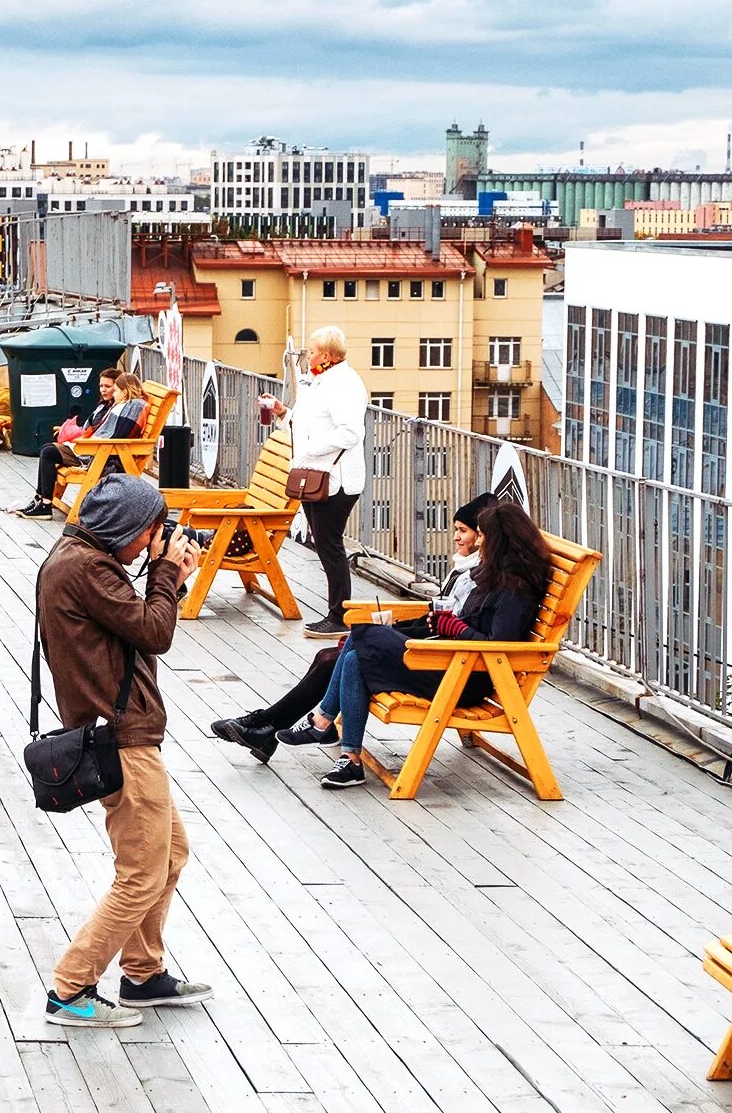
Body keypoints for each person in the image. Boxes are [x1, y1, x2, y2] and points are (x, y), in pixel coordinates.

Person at [38, 473, 211, 1028]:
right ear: (128, 528)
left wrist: (168, 579)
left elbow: (136, 627)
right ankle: (70, 987)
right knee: (141, 870)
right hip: (122, 736)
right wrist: (165, 574)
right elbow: (154, 632)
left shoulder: (79, 556)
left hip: (120, 731)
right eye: (151, 532)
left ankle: (142, 973)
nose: (154, 541)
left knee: (170, 853)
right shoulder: (87, 569)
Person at [216, 492, 495, 763]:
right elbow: (436, 619)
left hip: (440, 662)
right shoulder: (465, 570)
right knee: (327, 656)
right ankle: (271, 728)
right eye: (457, 530)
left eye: (466, 531)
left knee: (337, 657)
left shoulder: (481, 578)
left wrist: (391, 635)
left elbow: (451, 627)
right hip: (435, 654)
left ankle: (275, 726)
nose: (457, 537)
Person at [307, 500, 550, 789]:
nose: (479, 542)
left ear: (499, 541)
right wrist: (448, 625)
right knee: (354, 659)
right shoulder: (491, 575)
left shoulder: (515, 592)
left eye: (483, 536)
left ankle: (322, 721)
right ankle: (350, 758)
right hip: (448, 661)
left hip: (465, 677)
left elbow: (497, 648)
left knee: (364, 633)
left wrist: (456, 628)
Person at [266, 325, 367, 638]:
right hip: (314, 476)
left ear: (328, 355)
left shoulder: (344, 383)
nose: (306, 356)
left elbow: (351, 432)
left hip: (335, 480)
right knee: (324, 544)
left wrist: (311, 449)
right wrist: (283, 413)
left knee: (330, 545)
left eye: (311, 351)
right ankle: (337, 613)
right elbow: (304, 422)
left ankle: (339, 616)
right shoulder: (318, 380)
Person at [13, 372, 148, 520]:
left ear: (125, 390)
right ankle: (40, 500)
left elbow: (118, 435)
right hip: (94, 449)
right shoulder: (118, 405)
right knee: (47, 449)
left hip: (101, 455)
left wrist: (90, 442)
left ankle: (44, 505)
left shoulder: (133, 405)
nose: (111, 394)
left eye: (114, 390)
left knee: (49, 452)